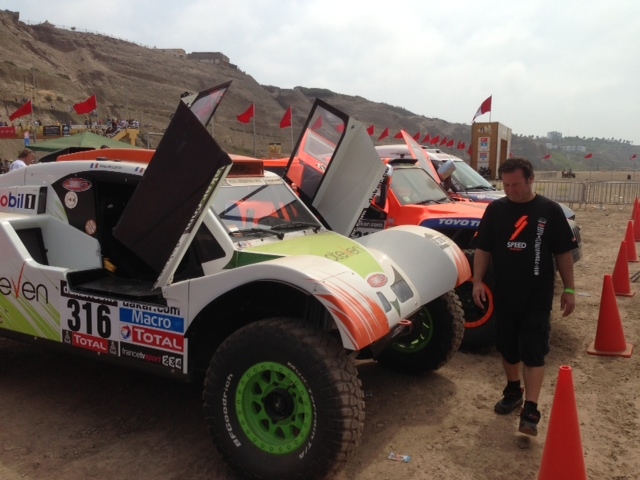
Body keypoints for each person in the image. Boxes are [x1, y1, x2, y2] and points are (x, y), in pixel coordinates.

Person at [472, 157, 577, 436]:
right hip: (504, 292)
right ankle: (513, 391)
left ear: (531, 179)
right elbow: (483, 248)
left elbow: (563, 253)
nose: (511, 190)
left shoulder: (549, 210)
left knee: (533, 350)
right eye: (506, 185)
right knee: (507, 347)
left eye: (516, 184)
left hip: (537, 295)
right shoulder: (495, 210)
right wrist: (477, 281)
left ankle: (531, 408)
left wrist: (569, 289)